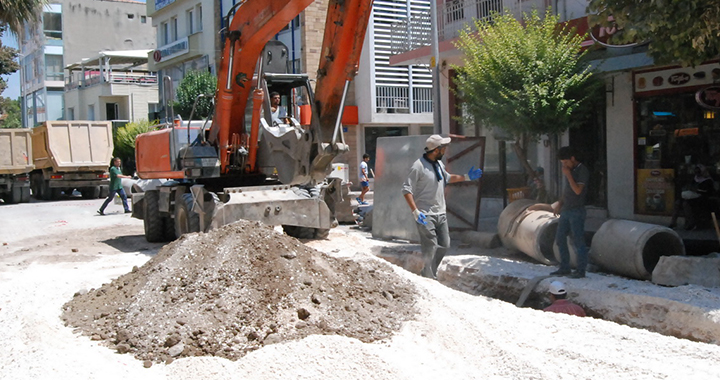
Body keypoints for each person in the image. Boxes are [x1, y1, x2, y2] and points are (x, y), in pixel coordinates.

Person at [402, 135, 483, 279]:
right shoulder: (418, 166)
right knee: (431, 246)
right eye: (443, 148)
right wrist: (415, 211)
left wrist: (467, 177)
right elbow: (406, 190)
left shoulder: (439, 164)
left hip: (441, 213)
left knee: (445, 245)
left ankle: (428, 271)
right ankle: (429, 276)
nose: (445, 150)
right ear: (436, 150)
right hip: (425, 214)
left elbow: (448, 177)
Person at [551, 146, 590, 279]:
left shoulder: (582, 171)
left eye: (566, 162)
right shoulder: (570, 171)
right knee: (560, 239)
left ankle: (580, 270)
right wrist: (560, 204)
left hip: (577, 210)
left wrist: (568, 176)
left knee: (578, 241)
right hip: (566, 209)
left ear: (573, 158)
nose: (564, 165)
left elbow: (578, 190)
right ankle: (564, 267)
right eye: (562, 163)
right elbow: (567, 190)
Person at [668, 164, 715, 230]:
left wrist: (697, 190)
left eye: (699, 172)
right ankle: (673, 222)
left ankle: (691, 223)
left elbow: (708, 192)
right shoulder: (695, 178)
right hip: (691, 196)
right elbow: (687, 185)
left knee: (685, 204)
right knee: (677, 203)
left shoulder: (708, 180)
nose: (697, 174)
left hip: (701, 198)